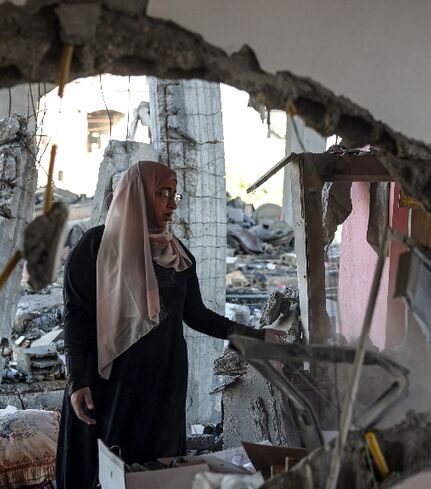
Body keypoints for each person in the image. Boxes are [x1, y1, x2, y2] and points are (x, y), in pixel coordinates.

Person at [55, 161, 282, 488]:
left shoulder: (177, 255)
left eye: (174, 194)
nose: (172, 203)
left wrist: (257, 336)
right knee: (103, 473)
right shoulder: (95, 248)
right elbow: (75, 317)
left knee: (156, 473)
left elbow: (197, 315)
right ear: (138, 196)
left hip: (161, 386)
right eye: (162, 194)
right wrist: (78, 381)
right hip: (107, 387)